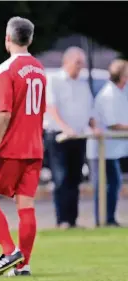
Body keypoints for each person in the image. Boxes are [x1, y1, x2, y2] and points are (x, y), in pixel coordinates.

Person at [0, 17, 46, 277]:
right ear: (30, 38)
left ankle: (9, 251)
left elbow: (3, 113)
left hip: (11, 147)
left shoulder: (6, 69)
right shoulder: (39, 68)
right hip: (35, 147)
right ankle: (23, 264)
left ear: (8, 38)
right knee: (25, 205)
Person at [45, 46, 99, 229]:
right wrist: (65, 128)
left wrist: (94, 127)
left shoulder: (82, 84)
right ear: (67, 62)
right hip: (59, 137)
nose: (80, 67)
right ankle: (63, 220)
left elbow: (89, 110)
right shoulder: (54, 81)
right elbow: (51, 108)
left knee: (75, 179)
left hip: (78, 136)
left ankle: (72, 220)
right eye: (77, 63)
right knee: (61, 178)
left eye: (82, 63)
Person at [87, 59, 128, 227]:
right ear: (122, 75)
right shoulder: (108, 94)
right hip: (102, 150)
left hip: (113, 150)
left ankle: (109, 218)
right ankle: (104, 220)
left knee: (114, 183)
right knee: (105, 185)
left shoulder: (120, 92)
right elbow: (113, 124)